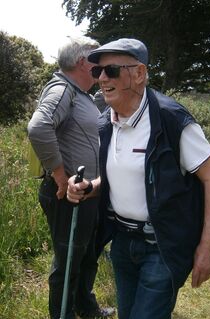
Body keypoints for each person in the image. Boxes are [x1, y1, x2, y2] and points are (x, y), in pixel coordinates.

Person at [67, 38, 210, 319]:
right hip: (122, 244)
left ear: (139, 74)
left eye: (111, 70)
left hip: (162, 246)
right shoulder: (106, 124)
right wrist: (89, 187)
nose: (102, 78)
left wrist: (208, 246)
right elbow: (117, 179)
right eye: (97, 71)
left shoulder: (171, 120)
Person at [27, 36, 114, 319]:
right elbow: (39, 127)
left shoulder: (81, 94)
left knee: (86, 256)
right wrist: (61, 177)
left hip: (86, 193)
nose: (101, 67)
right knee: (68, 263)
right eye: (97, 60)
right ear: (81, 62)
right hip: (69, 195)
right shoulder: (63, 90)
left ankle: (86, 309)